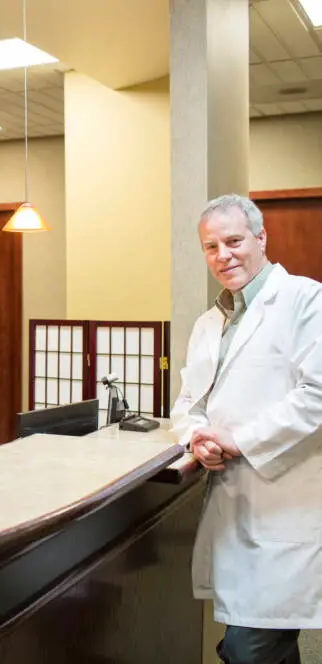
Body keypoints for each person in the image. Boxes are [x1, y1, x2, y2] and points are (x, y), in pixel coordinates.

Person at [171, 193, 322, 664]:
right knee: (264, 643)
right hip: (231, 506)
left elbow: (317, 393)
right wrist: (197, 439)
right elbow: (188, 403)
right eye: (211, 247)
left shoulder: (305, 300)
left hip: (285, 504)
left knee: (249, 648)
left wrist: (240, 440)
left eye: (234, 241)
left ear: (261, 238)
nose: (223, 255)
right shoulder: (208, 322)